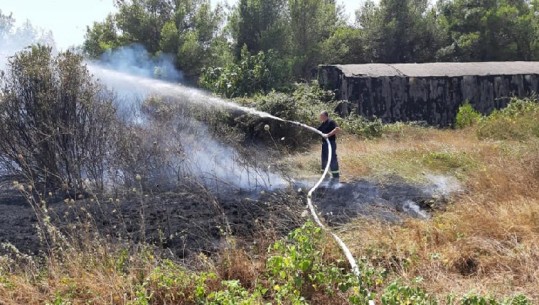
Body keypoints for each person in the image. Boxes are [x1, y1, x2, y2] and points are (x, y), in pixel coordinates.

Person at [317, 111, 341, 181]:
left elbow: (337, 129)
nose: (320, 117)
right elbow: (317, 130)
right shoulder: (323, 124)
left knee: (332, 159)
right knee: (324, 159)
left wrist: (328, 135)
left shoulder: (331, 122)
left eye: (321, 116)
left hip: (331, 143)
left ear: (325, 116)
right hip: (324, 144)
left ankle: (335, 176)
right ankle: (325, 176)